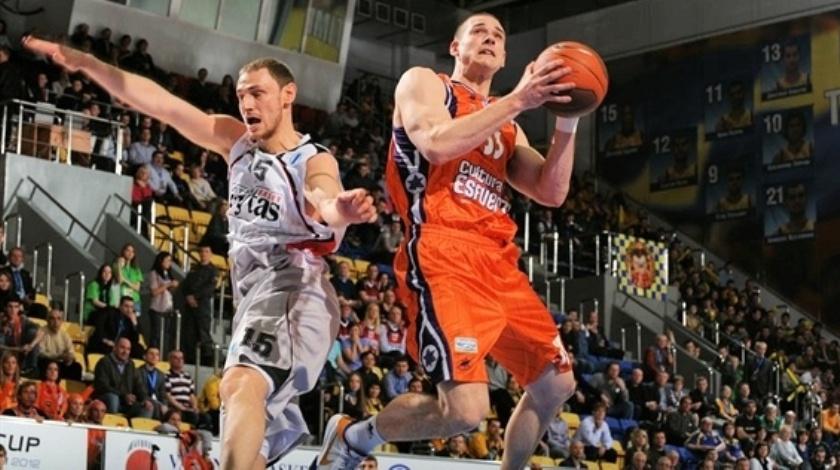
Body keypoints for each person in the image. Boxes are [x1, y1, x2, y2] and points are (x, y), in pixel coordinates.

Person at [25, 35, 376, 470]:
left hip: (294, 292)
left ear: (288, 95)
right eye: (242, 95)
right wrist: (89, 64)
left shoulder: (310, 159)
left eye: (258, 92)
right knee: (246, 444)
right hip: (255, 303)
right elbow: (161, 104)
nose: (247, 103)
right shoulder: (236, 143)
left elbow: (323, 196)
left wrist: (342, 209)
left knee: (239, 384)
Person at [317, 12, 579, 470]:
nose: (490, 38)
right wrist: (520, 99)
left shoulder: (508, 125)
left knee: (556, 384)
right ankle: (354, 436)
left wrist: (569, 120)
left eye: (498, 35)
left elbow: (551, 192)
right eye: (479, 31)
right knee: (465, 411)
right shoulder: (425, 83)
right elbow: (436, 143)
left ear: (504, 57)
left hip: (498, 262)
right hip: (442, 252)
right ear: (456, 47)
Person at [180, 245, 216, 363]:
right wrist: (188, 296)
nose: (204, 254)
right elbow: (185, 285)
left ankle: (207, 360)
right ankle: (190, 359)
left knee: (203, 332)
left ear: (210, 254)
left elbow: (210, 288)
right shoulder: (194, 269)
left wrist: (195, 296)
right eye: (202, 251)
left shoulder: (213, 271)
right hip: (189, 306)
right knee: (189, 333)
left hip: (203, 306)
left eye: (206, 251)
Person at [32, 307, 83, 380]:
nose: (56, 322)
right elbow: (40, 353)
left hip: (60, 363)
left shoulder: (65, 335)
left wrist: (69, 358)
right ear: (47, 320)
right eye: (52, 318)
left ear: (62, 321)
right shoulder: (41, 332)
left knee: (76, 367)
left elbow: (71, 352)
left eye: (58, 319)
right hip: (46, 363)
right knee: (50, 365)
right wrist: (58, 356)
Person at [147, 252, 178, 350]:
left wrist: (173, 286)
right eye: (167, 260)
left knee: (166, 335)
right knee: (156, 334)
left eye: (170, 261)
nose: (169, 263)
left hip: (168, 308)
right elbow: (154, 292)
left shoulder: (168, 274)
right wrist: (168, 285)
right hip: (157, 308)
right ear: (161, 261)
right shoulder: (154, 273)